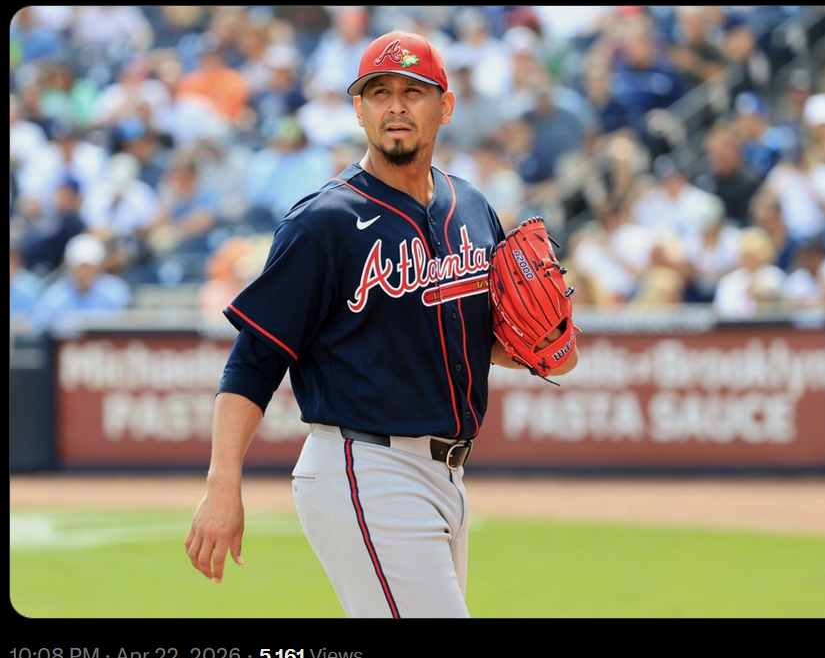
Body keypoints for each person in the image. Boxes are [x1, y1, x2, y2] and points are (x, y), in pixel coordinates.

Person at [185, 31, 578, 618]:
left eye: (412, 92)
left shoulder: (471, 206)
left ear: (446, 105)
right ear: (359, 109)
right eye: (379, 92)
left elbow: (479, 335)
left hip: (447, 475)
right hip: (365, 467)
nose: (395, 106)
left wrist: (538, 344)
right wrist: (222, 485)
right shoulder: (323, 222)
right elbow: (253, 361)